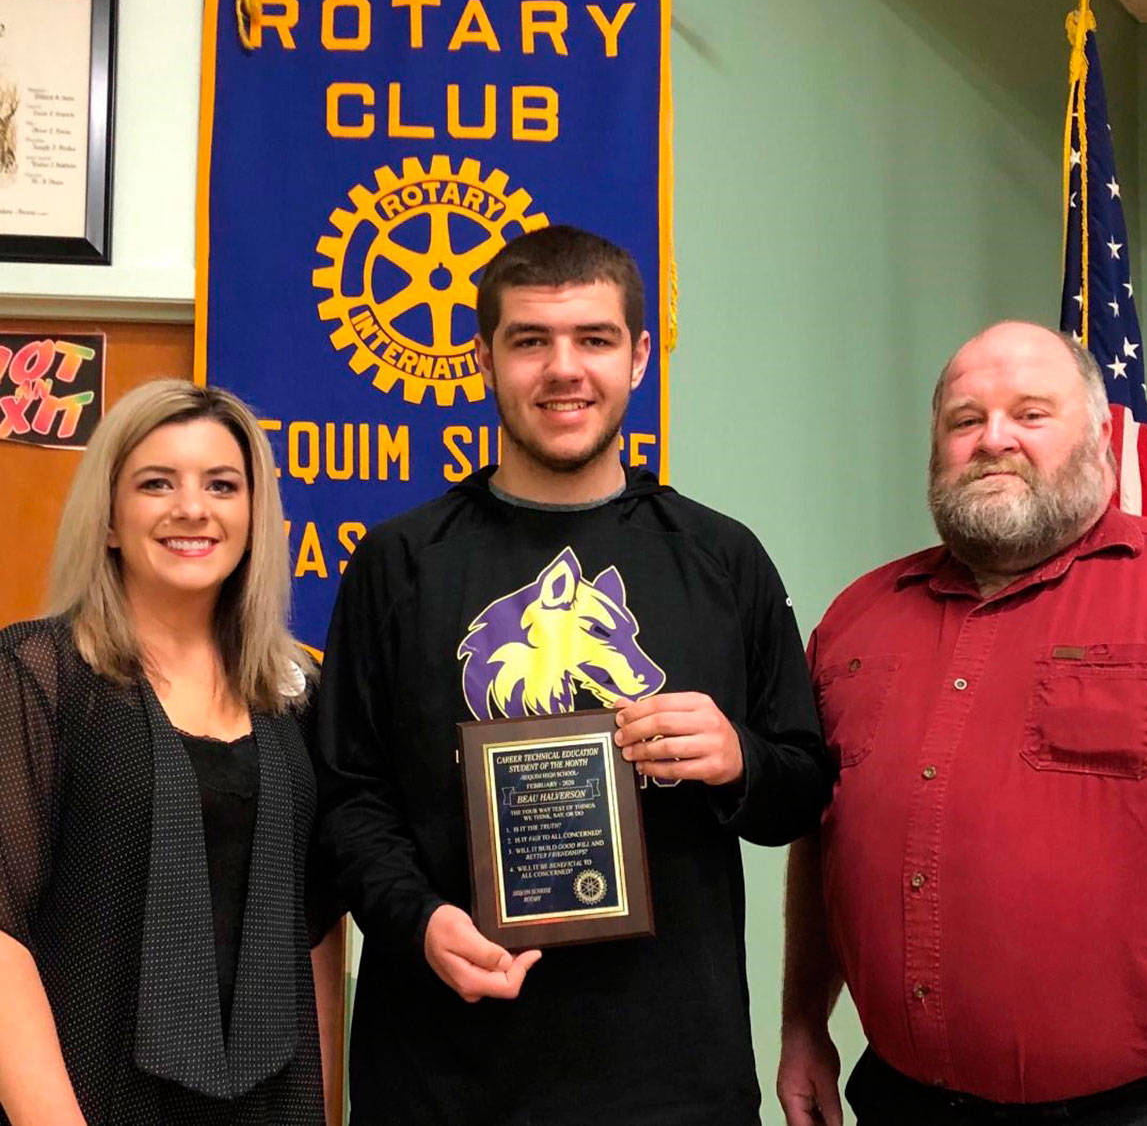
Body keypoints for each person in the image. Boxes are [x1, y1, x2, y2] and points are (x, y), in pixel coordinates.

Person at [316, 224, 832, 1125]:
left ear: (639, 358)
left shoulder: (722, 558)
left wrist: (737, 758)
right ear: (483, 358)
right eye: (530, 340)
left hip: (672, 1081)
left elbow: (804, 790)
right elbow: (348, 798)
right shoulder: (399, 563)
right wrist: (417, 921)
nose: (564, 369)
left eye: (594, 339)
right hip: (440, 1079)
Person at [778, 320, 1147, 1126]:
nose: (993, 440)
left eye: (1031, 414)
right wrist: (803, 1025)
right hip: (904, 1103)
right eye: (965, 419)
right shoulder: (856, 620)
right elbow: (827, 842)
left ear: (1101, 438)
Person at [0, 380, 344, 1126]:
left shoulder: (298, 696)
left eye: (222, 485)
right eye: (157, 484)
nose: (192, 508)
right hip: (83, 1095)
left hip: (269, 1099)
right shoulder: (38, 674)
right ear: (112, 518)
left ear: (254, 516)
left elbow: (315, 928)